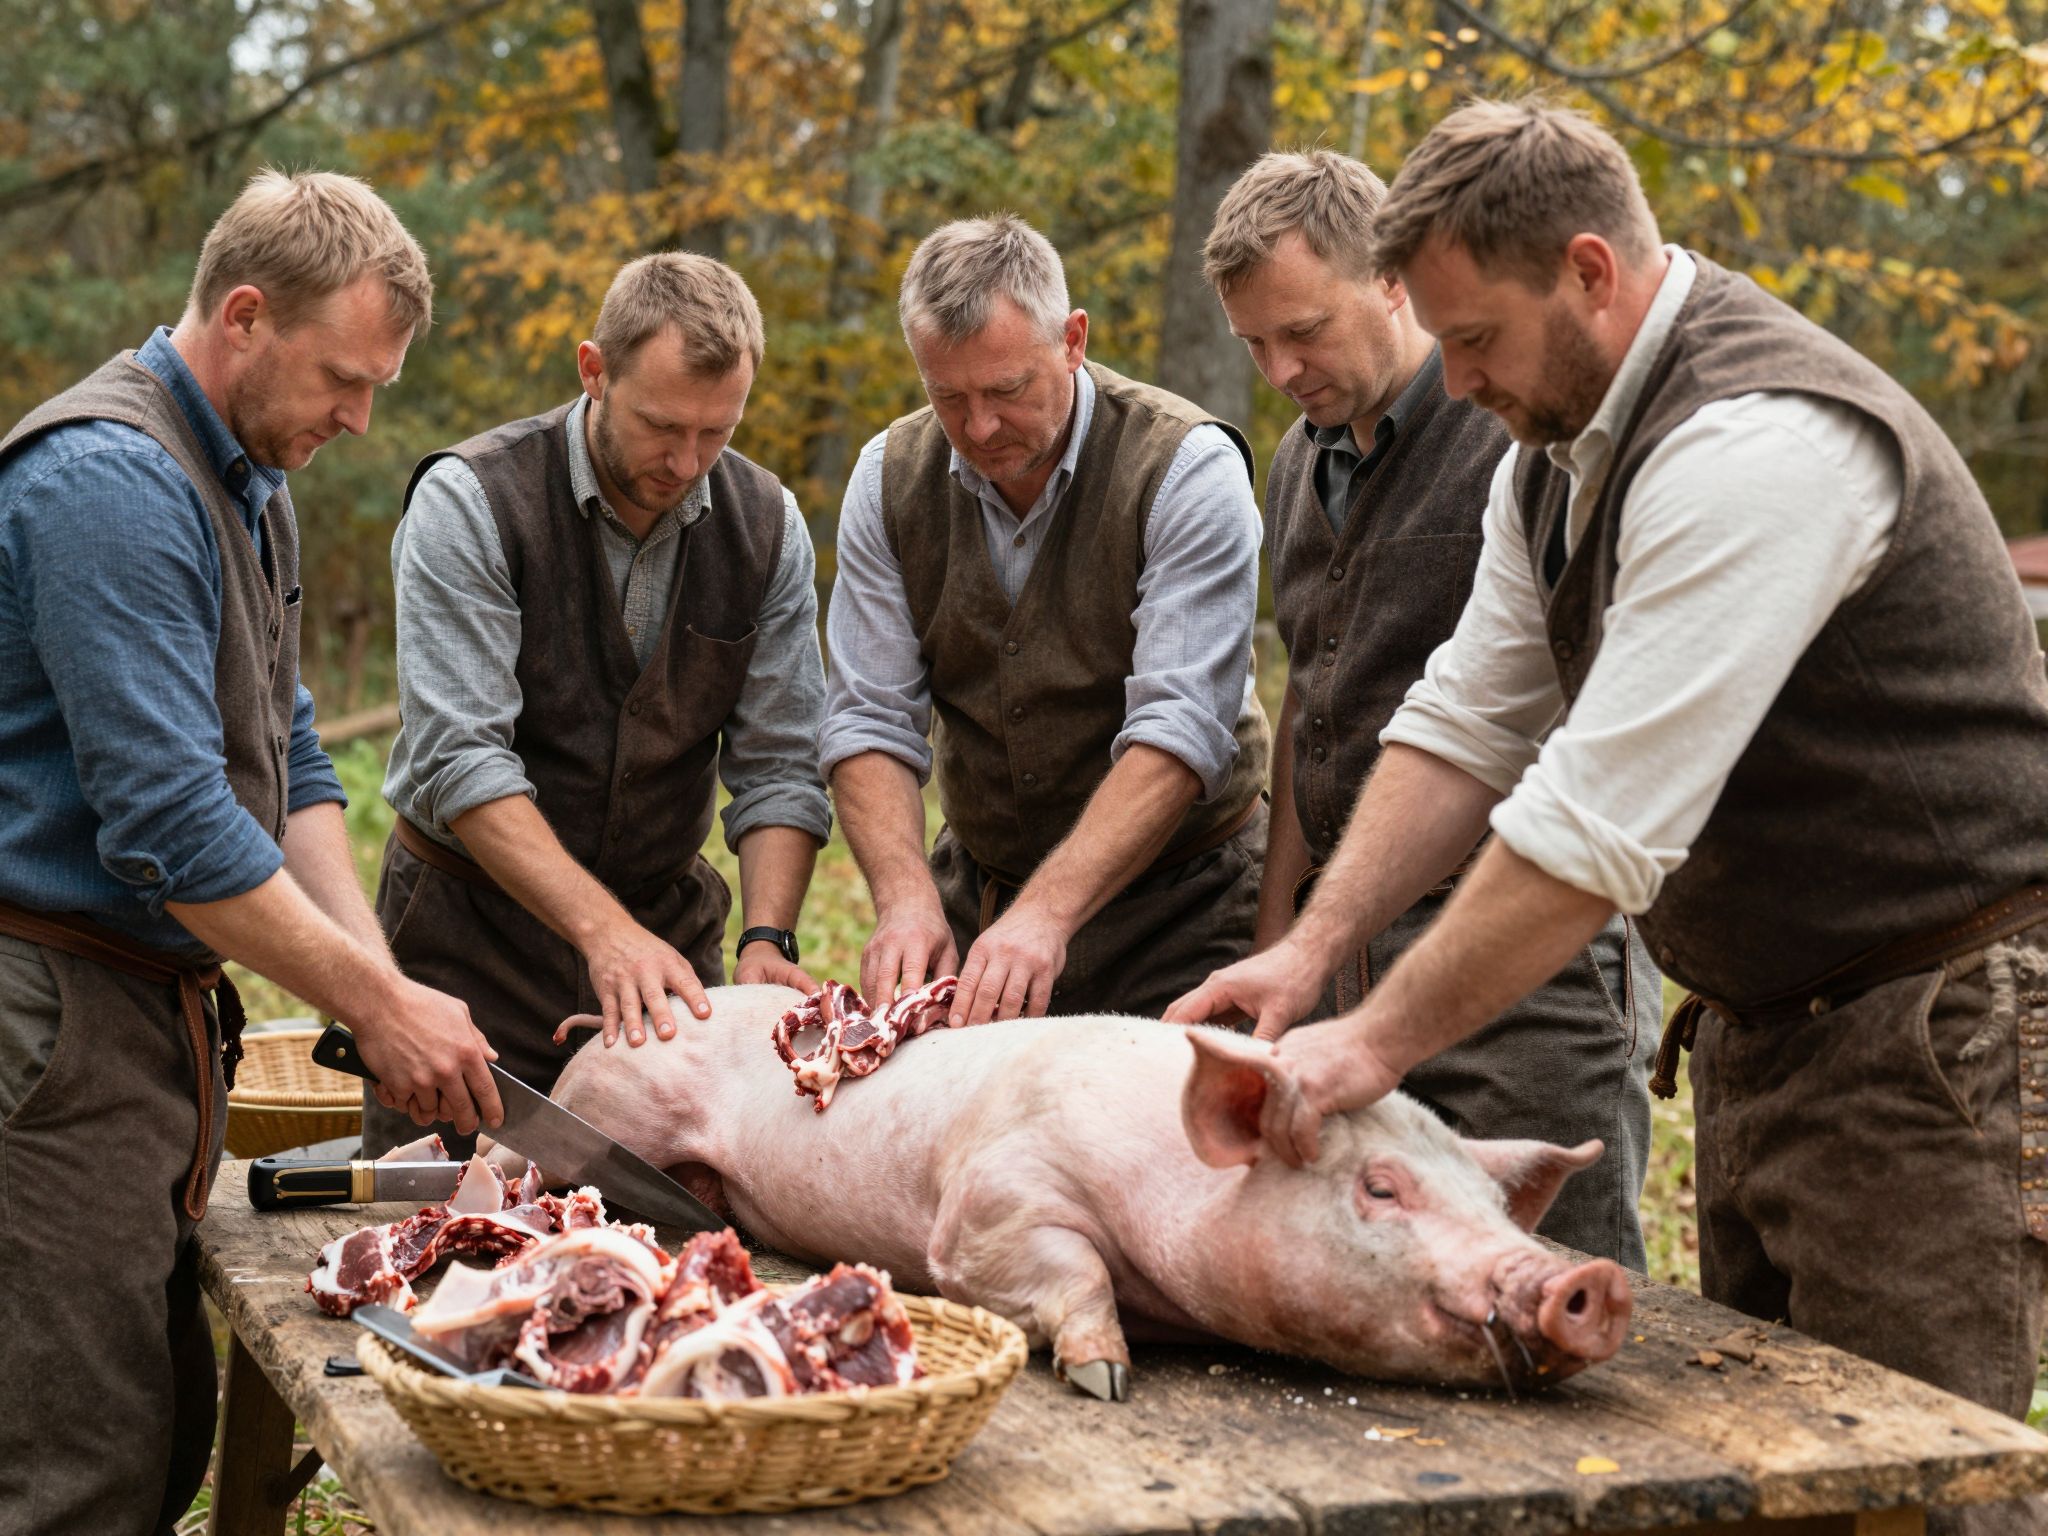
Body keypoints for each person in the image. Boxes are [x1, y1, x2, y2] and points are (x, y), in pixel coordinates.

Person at [1168, 102, 2048, 1535]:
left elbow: (1593, 831)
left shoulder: (1759, 447)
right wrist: (1312, 947)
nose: (1453, 386)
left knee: (1916, 1483)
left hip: (1933, 1039)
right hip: (1775, 1028)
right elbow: (1463, 724)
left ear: (1589, 270)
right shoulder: (1555, 458)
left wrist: (1370, 1045)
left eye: (1476, 341)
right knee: (1771, 1478)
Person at [0, 169, 500, 1536]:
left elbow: (285, 760)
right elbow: (169, 822)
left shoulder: (248, 477)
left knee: (154, 1425)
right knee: (69, 1463)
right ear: (241, 316)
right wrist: (371, 1004)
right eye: (344, 376)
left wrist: (378, 976)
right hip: (47, 1020)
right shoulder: (109, 480)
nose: (359, 415)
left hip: (149, 1020)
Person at [1201, 148, 1653, 1266]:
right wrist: (1286, 940)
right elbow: (1310, 708)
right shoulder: (1291, 470)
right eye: (1253, 343)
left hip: (1526, 956)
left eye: (1302, 330)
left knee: (1555, 1278)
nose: (1280, 367)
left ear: (1391, 282)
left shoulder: (1512, 431)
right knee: (1385, 1279)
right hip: (1348, 941)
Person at [365, 251, 830, 1154]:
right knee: (436, 1234)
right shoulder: (472, 502)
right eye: (661, 425)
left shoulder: (767, 525)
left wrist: (768, 936)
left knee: (661, 1251)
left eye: (717, 432)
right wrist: (603, 936)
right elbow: (462, 763)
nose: (687, 460)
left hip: (665, 952)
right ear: (594, 371)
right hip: (471, 948)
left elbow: (779, 764)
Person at [823, 214, 1268, 1024]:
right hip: (982, 897)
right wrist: (905, 900)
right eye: (947, 396)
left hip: (1190, 906)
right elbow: (868, 719)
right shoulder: (886, 479)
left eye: (1007, 390)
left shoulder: (1186, 469)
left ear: (1072, 339)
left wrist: (1051, 913)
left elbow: (1180, 727)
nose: (980, 428)